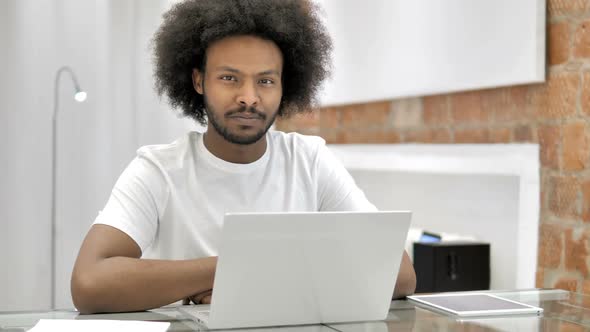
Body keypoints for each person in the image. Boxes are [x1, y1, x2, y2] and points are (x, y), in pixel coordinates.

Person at [71, 0, 416, 314]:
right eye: (229, 78)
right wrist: (227, 270)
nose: (248, 97)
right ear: (199, 80)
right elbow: (89, 283)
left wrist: (242, 280)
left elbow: (399, 274)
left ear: (285, 86)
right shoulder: (158, 170)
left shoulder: (309, 160)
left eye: (265, 81)